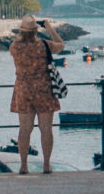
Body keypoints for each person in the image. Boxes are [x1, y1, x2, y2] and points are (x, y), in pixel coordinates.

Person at [10, 14, 64, 174]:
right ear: (35, 31)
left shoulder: (14, 47)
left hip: (23, 90)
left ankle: (23, 165)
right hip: (44, 90)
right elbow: (61, 44)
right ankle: (46, 165)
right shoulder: (45, 45)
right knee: (46, 129)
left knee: (24, 130)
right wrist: (48, 27)